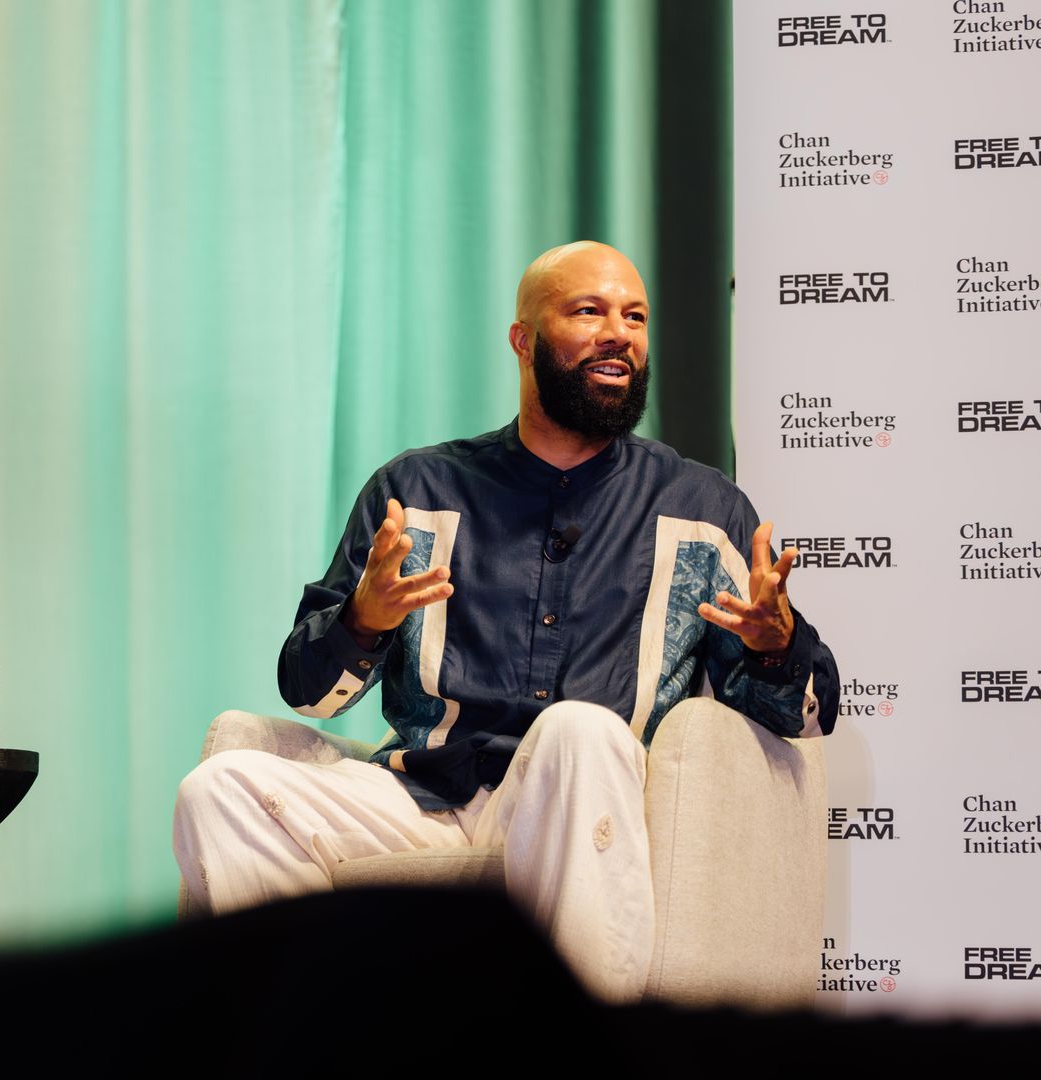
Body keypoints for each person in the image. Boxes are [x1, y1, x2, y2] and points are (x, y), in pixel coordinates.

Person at [173, 241, 838, 1000]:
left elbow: (810, 718)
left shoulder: (701, 506)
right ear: (523, 340)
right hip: (427, 794)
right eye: (588, 311)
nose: (618, 331)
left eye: (635, 316)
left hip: (589, 800)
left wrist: (777, 645)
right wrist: (362, 619)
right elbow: (308, 694)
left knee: (581, 731)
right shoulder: (417, 489)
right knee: (219, 788)